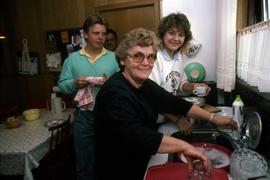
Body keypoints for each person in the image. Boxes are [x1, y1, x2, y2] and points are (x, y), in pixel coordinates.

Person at [93, 28, 237, 180]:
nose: (145, 63)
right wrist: (184, 146)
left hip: (137, 159)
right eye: (137, 56)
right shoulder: (115, 93)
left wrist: (214, 118)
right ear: (122, 60)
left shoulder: (144, 84)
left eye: (151, 57)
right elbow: (136, 135)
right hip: (116, 168)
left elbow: (175, 103)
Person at [58, 15, 119, 180]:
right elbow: (62, 85)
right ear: (85, 34)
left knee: (109, 161)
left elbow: (123, 87)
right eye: (96, 33)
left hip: (108, 115)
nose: (101, 37)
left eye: (103, 33)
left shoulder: (114, 58)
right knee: (85, 164)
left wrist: (110, 85)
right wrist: (74, 83)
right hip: (83, 116)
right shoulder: (72, 59)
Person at [149, 13, 211, 135]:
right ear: (162, 34)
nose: (176, 38)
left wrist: (194, 86)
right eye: (172, 33)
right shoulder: (155, 58)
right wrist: (177, 119)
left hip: (167, 116)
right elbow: (152, 97)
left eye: (181, 34)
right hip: (152, 118)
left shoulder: (178, 56)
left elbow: (182, 82)